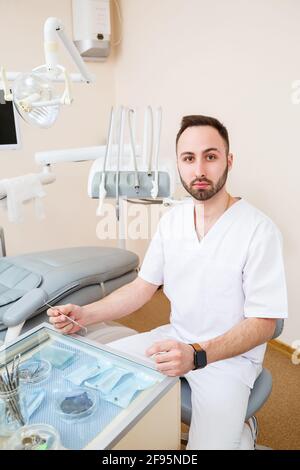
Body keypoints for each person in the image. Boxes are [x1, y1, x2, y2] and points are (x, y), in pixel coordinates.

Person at [47, 115, 288, 450]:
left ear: (228, 161)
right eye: (189, 158)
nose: (199, 169)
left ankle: (243, 434)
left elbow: (266, 323)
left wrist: (198, 356)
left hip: (229, 360)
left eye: (211, 156)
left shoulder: (259, 231)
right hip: (174, 339)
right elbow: (142, 287)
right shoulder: (172, 221)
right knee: (89, 376)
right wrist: (83, 315)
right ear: (178, 164)